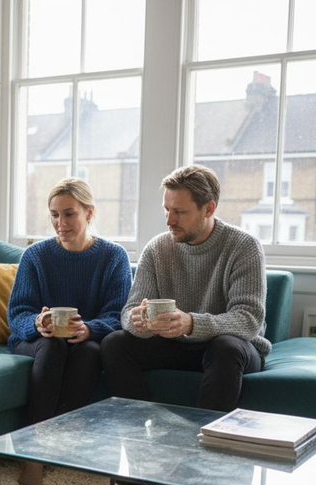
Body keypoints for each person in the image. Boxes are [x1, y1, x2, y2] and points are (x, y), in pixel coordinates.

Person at [101, 164, 268, 413]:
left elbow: (248, 320)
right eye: (167, 210)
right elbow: (129, 311)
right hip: (174, 345)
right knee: (114, 343)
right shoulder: (157, 248)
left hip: (231, 349)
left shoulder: (243, 247)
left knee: (226, 347)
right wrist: (138, 321)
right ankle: (138, 427)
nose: (169, 220)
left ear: (208, 208)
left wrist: (190, 323)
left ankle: (204, 441)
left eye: (179, 212)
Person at [7, 178, 133, 485]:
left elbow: (119, 316)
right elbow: (17, 313)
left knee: (90, 350)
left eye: (68, 214)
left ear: (89, 213)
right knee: (54, 348)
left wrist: (90, 329)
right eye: (54, 214)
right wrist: (38, 323)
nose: (59, 223)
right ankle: (33, 452)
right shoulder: (35, 256)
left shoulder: (113, 256)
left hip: (85, 340)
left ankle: (60, 440)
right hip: (37, 341)